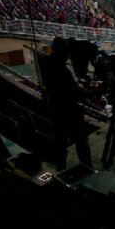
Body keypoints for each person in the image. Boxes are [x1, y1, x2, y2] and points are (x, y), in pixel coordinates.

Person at [39, 36, 93, 170]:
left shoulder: (46, 63)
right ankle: (87, 169)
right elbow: (77, 94)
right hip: (69, 112)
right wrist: (95, 91)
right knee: (81, 142)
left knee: (60, 143)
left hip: (56, 110)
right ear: (62, 53)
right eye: (66, 53)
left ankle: (61, 167)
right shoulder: (63, 72)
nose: (68, 56)